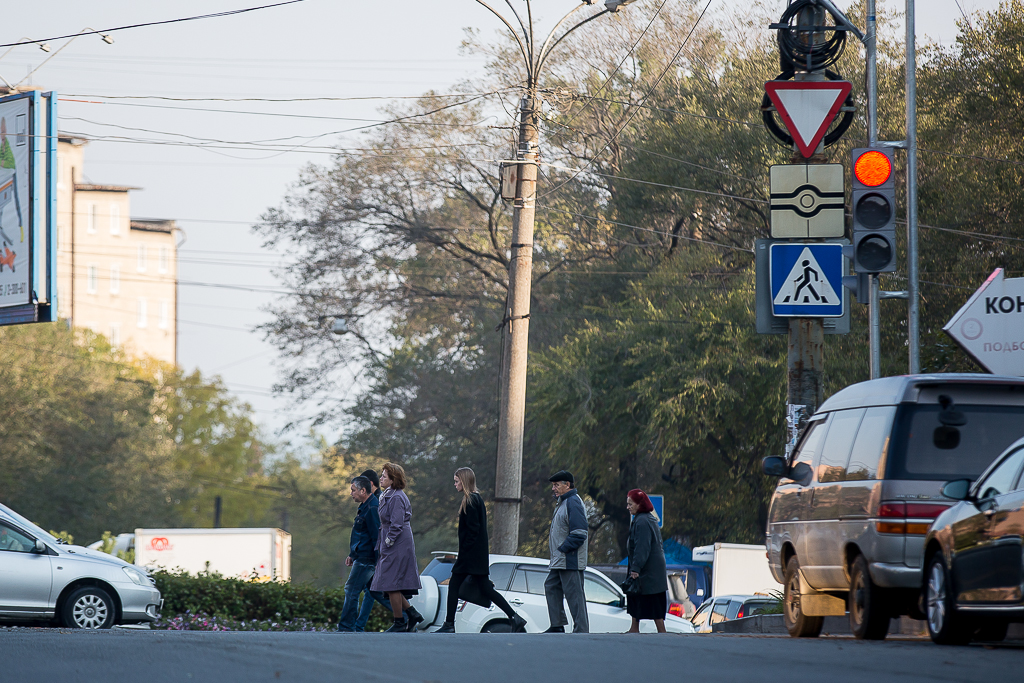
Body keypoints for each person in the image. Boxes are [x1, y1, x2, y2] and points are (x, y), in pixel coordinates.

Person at [434, 467, 527, 634]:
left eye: (456, 481)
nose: (455, 484)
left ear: (464, 481)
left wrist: (464, 556)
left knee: (455, 584)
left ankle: (449, 624)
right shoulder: (475, 499)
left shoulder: (471, 501)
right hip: (477, 556)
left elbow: (472, 531)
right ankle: (515, 617)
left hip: (471, 557)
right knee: (485, 588)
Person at [370, 462, 424, 633]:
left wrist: (388, 541)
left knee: (392, 583)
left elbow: (397, 523)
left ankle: (399, 621)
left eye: (384, 476)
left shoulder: (397, 497)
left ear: (393, 480)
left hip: (398, 543)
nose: (381, 478)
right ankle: (412, 613)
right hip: (391, 542)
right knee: (390, 582)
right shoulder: (388, 495)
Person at [336, 476, 392, 632]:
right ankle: (408, 618)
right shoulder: (365, 506)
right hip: (362, 557)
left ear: (363, 490)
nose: (351, 493)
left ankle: (347, 627)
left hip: (367, 559)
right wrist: (352, 554)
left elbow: (377, 536)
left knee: (351, 589)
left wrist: (378, 561)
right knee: (377, 593)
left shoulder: (373, 508)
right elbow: (361, 535)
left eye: (353, 490)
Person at [543, 470, 589, 634]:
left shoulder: (573, 502)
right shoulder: (563, 502)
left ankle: (581, 631)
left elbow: (579, 534)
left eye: (556, 485)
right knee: (551, 586)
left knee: (575, 596)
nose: (553, 489)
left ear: (567, 485)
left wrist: (563, 549)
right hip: (560, 560)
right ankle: (557, 625)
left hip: (570, 560)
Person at [625, 489, 668, 634]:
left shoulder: (642, 521)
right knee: (637, 596)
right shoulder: (645, 518)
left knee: (650, 598)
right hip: (651, 569)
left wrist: (636, 568)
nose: (628, 507)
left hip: (649, 570)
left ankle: (660, 631)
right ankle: (635, 627)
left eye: (631, 504)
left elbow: (642, 547)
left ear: (639, 504)